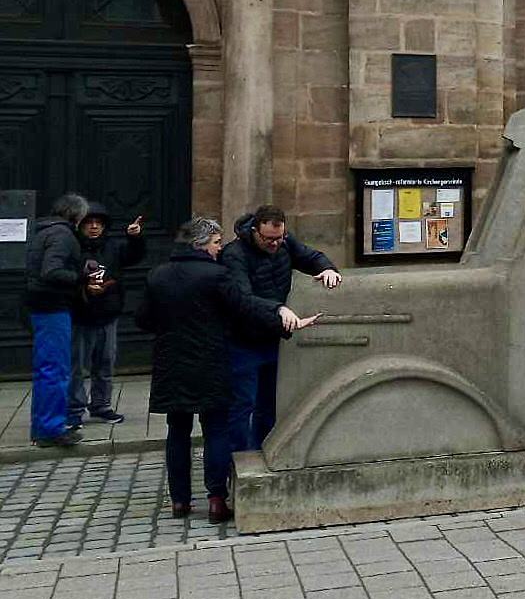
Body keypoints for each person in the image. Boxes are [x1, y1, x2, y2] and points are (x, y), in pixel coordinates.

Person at [134, 217, 315, 522]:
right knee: (216, 429)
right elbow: (245, 306)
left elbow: (143, 319)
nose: (221, 248)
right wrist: (280, 314)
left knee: (177, 430)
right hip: (211, 361)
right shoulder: (216, 276)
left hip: (172, 363)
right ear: (200, 244)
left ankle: (179, 500)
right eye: (216, 243)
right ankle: (217, 498)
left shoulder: (158, 275)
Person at [220, 206, 341, 452]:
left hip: (273, 339)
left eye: (279, 238)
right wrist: (278, 309)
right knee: (242, 407)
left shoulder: (286, 243)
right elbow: (242, 299)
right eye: (269, 239)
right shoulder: (235, 254)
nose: (275, 244)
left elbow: (310, 256)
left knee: (270, 405)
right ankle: (237, 462)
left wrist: (327, 269)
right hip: (243, 342)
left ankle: (263, 453)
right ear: (255, 231)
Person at [68, 204, 145, 429]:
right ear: (80, 225)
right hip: (80, 314)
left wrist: (136, 238)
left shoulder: (112, 247)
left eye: (98, 224)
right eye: (89, 223)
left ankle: (101, 406)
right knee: (77, 366)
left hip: (107, 313)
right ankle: (74, 410)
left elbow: (133, 256)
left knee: (105, 363)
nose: (94, 227)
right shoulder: (72, 248)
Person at [24, 194, 90, 448]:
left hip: (41, 304)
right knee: (55, 369)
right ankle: (50, 429)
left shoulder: (44, 230)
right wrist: (80, 277)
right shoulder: (62, 235)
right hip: (52, 306)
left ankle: (44, 426)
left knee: (47, 369)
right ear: (77, 216)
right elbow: (52, 271)